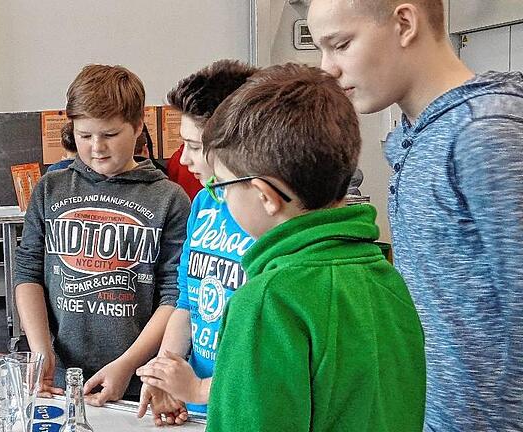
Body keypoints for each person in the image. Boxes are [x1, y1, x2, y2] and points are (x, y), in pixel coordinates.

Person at [308, 1, 523, 429]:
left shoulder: (486, 130)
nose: (327, 68)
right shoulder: (419, 135)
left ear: (404, 23)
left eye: (341, 45)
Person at [201, 63, 426, 431]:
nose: (221, 198)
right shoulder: (388, 279)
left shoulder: (268, 301)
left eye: (222, 186)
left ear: (265, 196)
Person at [13, 64, 190, 406]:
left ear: (138, 126)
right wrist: (41, 351)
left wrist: (128, 364)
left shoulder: (169, 199)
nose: (96, 147)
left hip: (136, 379)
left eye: (110, 135)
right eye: (84, 135)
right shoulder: (51, 188)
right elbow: (28, 272)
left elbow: (175, 292)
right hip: (61, 377)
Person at [134, 59, 258, 426]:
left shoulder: (263, 219)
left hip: (243, 406)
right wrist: (167, 375)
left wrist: (199, 389)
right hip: (196, 406)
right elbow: (186, 302)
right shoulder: (203, 202)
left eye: (193, 146)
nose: (183, 159)